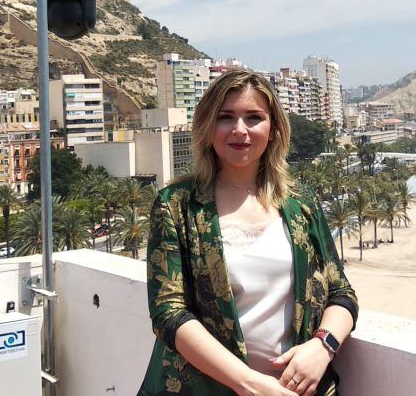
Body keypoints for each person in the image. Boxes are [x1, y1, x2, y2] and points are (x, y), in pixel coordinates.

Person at [140, 69, 358, 396]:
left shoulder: (301, 204)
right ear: (208, 126)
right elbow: (168, 313)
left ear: (273, 130)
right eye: (225, 117)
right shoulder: (177, 206)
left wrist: (322, 347)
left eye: (254, 118)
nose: (240, 130)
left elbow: (341, 292)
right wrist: (250, 385)